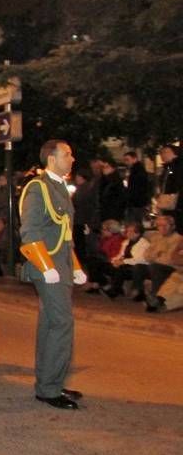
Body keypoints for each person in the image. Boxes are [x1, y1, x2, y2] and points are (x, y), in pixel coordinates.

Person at [19, 139, 87, 410]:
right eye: (67, 154)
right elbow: (30, 231)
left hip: (61, 265)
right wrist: (45, 266)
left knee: (50, 323)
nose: (72, 159)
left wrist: (77, 267)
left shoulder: (59, 188)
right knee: (62, 323)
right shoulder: (38, 188)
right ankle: (49, 388)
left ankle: (50, 383)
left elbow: (64, 235)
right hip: (47, 266)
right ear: (52, 159)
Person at [131, 215, 183, 312]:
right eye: (159, 225)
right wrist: (158, 255)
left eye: (165, 225)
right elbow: (146, 255)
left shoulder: (178, 239)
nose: (162, 228)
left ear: (173, 226)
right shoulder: (156, 238)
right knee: (139, 267)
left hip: (171, 268)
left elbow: (171, 259)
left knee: (156, 267)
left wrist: (155, 256)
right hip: (159, 266)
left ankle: (155, 297)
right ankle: (140, 293)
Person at [103, 222, 150, 299]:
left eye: (131, 231)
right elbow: (121, 255)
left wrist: (123, 262)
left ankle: (114, 290)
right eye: (127, 231)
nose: (128, 233)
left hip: (137, 267)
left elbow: (139, 259)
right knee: (106, 266)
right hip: (126, 264)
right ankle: (112, 287)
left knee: (120, 269)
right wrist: (115, 261)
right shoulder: (126, 242)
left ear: (138, 233)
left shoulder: (143, 244)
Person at [157, 144, 183, 234]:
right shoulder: (167, 167)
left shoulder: (178, 166)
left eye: (165, 152)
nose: (162, 155)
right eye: (161, 153)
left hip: (176, 205)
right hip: (169, 204)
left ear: (175, 154)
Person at [123, 151, 150, 225]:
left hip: (136, 203)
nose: (126, 162)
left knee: (134, 224)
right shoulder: (135, 170)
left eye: (127, 160)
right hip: (136, 202)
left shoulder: (137, 170)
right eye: (125, 160)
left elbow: (137, 188)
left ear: (134, 158)